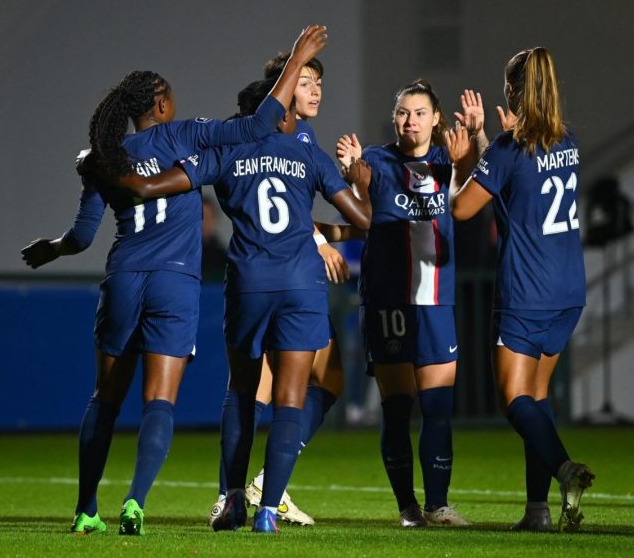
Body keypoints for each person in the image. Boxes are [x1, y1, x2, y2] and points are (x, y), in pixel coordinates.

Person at [20, 25, 328, 536]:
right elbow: (263, 122)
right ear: (160, 104)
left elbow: (79, 237)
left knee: (105, 397)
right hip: (176, 284)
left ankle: (85, 510)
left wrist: (51, 248)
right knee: (158, 401)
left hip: (123, 277)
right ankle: (136, 503)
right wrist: (297, 57)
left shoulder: (105, 158)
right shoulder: (184, 134)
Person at [84, 76, 372, 534]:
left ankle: (231, 496)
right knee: (290, 399)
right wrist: (361, 184)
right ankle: (268, 513)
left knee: (241, 391)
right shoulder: (307, 153)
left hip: (249, 284)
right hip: (301, 284)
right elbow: (363, 221)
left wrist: (103, 167)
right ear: (278, 114)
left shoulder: (225, 155)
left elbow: (152, 187)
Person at [450, 47, 595, 533]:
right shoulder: (567, 139)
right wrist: (486, 138)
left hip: (527, 290)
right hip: (568, 288)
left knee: (513, 399)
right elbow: (518, 178)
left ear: (511, 91)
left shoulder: (510, 150)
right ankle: (537, 511)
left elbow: (463, 208)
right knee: (537, 394)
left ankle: (564, 468)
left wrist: (467, 154)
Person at [328, 81, 483, 527]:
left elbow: (471, 183)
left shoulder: (446, 160)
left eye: (419, 112)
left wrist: (470, 146)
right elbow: (362, 189)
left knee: (437, 406)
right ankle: (407, 508)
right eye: (402, 112)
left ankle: (438, 505)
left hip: (435, 298)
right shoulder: (378, 159)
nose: (410, 120)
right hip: (388, 300)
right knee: (397, 408)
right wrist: (352, 169)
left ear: (436, 119)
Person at [207, 50, 343, 527]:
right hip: (292, 277)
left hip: (264, 279)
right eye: (304, 82)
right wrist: (321, 237)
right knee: (271, 388)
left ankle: (246, 491)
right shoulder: (292, 134)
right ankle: (257, 489)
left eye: (317, 82)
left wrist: (326, 233)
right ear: (279, 92)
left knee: (294, 383)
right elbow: (291, 207)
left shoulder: (292, 133)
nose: (314, 90)